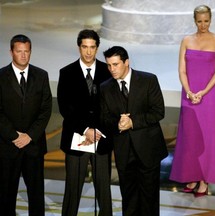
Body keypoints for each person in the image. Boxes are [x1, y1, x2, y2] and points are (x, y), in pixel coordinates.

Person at [100, 46, 168, 216]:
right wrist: (118, 123)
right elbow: (104, 118)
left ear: (127, 62)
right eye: (109, 65)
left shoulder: (148, 80)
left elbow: (158, 112)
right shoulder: (105, 87)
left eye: (115, 64)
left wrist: (132, 122)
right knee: (129, 198)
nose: (112, 69)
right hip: (124, 150)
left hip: (148, 149)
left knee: (149, 199)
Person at [169, 5, 215, 197]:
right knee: (190, 137)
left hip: (209, 96)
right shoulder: (186, 40)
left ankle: (204, 180)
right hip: (189, 95)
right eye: (199, 21)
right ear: (195, 20)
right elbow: (181, 70)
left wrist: (202, 92)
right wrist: (189, 91)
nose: (203, 25)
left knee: (208, 137)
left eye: (206, 21)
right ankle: (192, 176)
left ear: (210, 19)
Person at [57, 29, 112, 216]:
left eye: (92, 47)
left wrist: (97, 132)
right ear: (79, 47)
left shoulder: (108, 71)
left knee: (104, 189)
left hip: (101, 139)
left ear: (97, 48)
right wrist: (85, 129)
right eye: (84, 47)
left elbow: (112, 107)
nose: (88, 52)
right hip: (76, 139)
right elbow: (65, 108)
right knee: (73, 189)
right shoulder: (66, 73)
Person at [0, 34, 52, 216]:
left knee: (36, 195)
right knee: (6, 195)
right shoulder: (0, 76)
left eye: (26, 51)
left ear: (30, 52)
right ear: (11, 52)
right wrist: (15, 136)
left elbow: (45, 110)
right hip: (8, 146)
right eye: (19, 51)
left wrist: (29, 136)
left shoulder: (42, 75)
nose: (23, 55)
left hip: (34, 146)